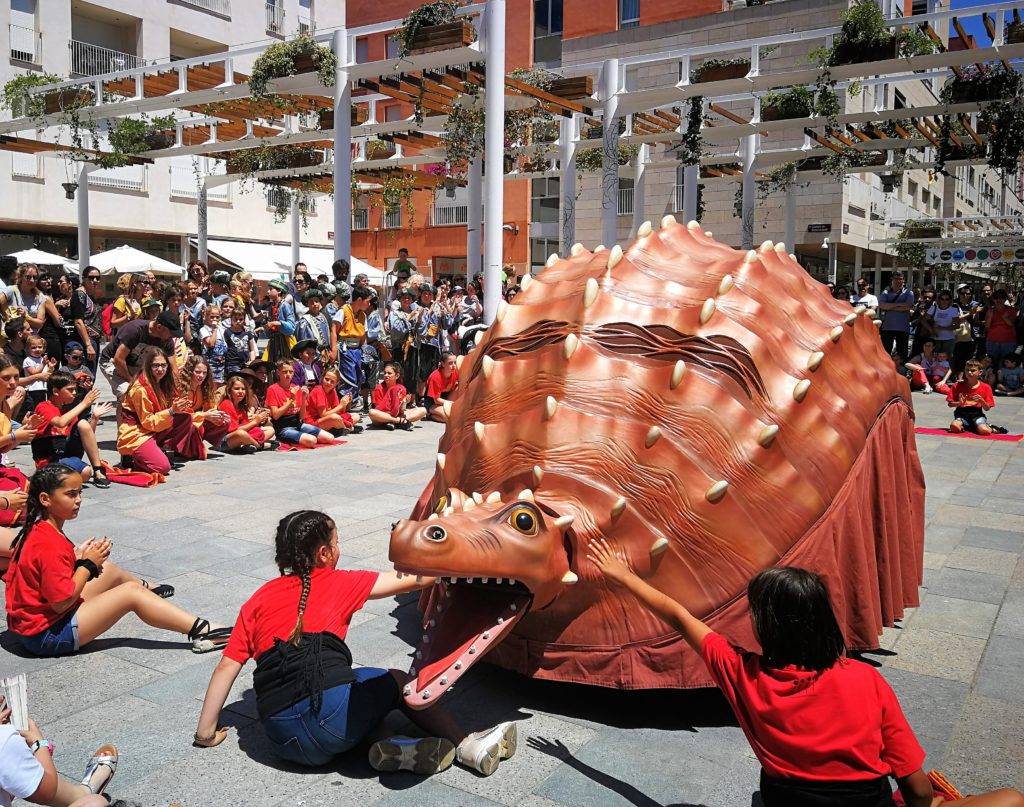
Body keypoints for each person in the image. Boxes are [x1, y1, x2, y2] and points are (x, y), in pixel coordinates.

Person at [586, 543, 1024, 807]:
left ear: (766, 628)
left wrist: (622, 575)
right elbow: (916, 789)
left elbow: (679, 617)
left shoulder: (740, 673)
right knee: (1010, 798)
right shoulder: (865, 681)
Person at [193, 510, 517, 776]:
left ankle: (392, 746)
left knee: (356, 685)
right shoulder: (342, 581)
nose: (338, 548)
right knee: (396, 681)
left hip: (282, 742)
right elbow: (417, 579)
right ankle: (469, 747)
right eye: (336, 542)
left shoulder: (258, 599)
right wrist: (473, 557)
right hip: (333, 723)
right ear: (323, 553)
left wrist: (205, 733)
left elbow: (226, 665)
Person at [3, 464, 231, 657]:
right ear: (45, 499)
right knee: (129, 593)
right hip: (46, 636)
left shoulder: (41, 529)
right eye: (71, 494)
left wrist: (80, 558)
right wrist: (87, 564)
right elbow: (61, 602)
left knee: (109, 570)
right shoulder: (47, 542)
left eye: (80, 492)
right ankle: (201, 629)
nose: (79, 500)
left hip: (32, 626)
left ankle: (148, 593)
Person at [0, 695, 117, 807]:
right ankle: (83, 794)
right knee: (94, 803)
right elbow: (46, 791)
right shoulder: (4, 739)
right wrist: (39, 744)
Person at [116, 348, 204, 474]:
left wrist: (180, 408)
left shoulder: (162, 383)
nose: (160, 369)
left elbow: (171, 408)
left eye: (163, 365)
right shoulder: (140, 389)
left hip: (153, 428)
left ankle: (158, 448)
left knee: (184, 418)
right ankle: (131, 458)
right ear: (148, 366)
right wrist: (172, 410)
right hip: (137, 433)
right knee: (162, 468)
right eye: (156, 366)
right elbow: (147, 422)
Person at [30, 371, 112, 488]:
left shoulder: (69, 411)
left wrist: (95, 417)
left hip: (67, 454)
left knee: (83, 423)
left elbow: (88, 437)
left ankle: (98, 471)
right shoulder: (44, 406)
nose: (74, 393)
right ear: (55, 391)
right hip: (49, 458)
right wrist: (84, 403)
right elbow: (60, 423)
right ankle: (48, 478)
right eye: (70, 390)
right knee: (84, 473)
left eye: (75, 389)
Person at [98, 311, 180, 404]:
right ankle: (124, 415)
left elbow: (174, 369)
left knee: (154, 394)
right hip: (112, 362)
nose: (173, 337)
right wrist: (132, 382)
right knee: (129, 393)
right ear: (159, 327)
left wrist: (177, 391)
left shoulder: (167, 341)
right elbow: (118, 360)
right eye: (171, 333)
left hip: (136, 365)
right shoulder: (135, 329)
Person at [265, 361, 341, 448]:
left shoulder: (296, 388)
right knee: (312, 440)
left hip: (298, 424)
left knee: (330, 438)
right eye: (285, 372)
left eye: (291, 372)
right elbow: (275, 415)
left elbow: (301, 416)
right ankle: (285, 439)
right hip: (283, 428)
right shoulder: (273, 389)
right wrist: (291, 400)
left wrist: (303, 398)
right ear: (278, 373)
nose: (288, 375)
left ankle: (298, 437)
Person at [174, 355, 231, 453]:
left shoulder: (206, 387)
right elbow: (181, 416)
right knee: (195, 426)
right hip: (180, 422)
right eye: (197, 372)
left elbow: (211, 408)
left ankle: (198, 443)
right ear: (189, 371)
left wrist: (218, 415)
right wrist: (204, 415)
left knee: (223, 421)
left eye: (204, 373)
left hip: (197, 418)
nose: (201, 376)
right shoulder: (179, 388)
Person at [331, 285, 373, 404]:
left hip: (357, 350)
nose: (369, 304)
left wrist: (365, 352)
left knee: (359, 376)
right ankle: (346, 403)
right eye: (368, 301)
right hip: (345, 349)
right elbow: (334, 330)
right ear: (360, 300)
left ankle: (352, 402)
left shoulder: (363, 315)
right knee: (348, 377)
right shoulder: (343, 311)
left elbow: (363, 336)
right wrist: (333, 349)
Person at [217, 374, 276, 453]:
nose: (241, 392)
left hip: (241, 434)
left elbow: (246, 424)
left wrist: (259, 419)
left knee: (270, 430)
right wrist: (256, 421)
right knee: (241, 434)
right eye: (237, 389)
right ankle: (259, 446)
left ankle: (248, 444)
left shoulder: (241, 404)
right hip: (224, 440)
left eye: (243, 389)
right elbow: (233, 430)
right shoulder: (226, 404)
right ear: (229, 391)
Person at [306, 367, 362, 436]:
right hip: (314, 422)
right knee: (334, 417)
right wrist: (341, 405)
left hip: (330, 419)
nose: (328, 383)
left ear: (336, 383)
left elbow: (339, 412)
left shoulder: (333, 391)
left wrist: (345, 403)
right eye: (326, 379)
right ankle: (349, 428)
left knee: (356, 416)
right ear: (322, 378)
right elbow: (323, 415)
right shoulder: (318, 391)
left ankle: (340, 428)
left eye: (332, 381)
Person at [369, 362, 425, 431]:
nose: (386, 375)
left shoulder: (401, 388)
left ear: (397, 376)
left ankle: (393, 422)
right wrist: (392, 415)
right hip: (384, 415)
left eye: (389, 373)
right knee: (372, 412)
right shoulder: (379, 388)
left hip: (397, 415)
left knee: (423, 410)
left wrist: (405, 403)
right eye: (385, 373)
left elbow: (401, 410)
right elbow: (379, 409)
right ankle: (399, 421)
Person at [947, 359, 995, 435]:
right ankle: (969, 427)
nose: (969, 372)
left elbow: (987, 408)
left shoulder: (986, 387)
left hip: (977, 415)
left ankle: (990, 427)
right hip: (961, 414)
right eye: (967, 370)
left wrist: (981, 401)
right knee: (954, 426)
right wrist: (959, 403)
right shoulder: (957, 385)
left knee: (985, 431)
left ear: (980, 372)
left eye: (973, 370)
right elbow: (950, 404)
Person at [70, 267, 103, 372]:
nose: (95, 280)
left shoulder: (89, 295)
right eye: (91, 278)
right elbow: (78, 322)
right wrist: (88, 345)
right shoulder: (80, 295)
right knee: (85, 377)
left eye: (97, 278)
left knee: (90, 376)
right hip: (85, 341)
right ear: (84, 279)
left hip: (93, 340)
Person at [876, 274, 914, 365]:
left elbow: (908, 306)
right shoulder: (885, 292)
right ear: (892, 280)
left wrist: (889, 306)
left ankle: (902, 371)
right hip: (887, 327)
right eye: (896, 279)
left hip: (903, 328)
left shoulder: (909, 293)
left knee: (902, 352)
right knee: (885, 352)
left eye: (901, 279)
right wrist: (899, 304)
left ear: (903, 281)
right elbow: (881, 305)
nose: (898, 281)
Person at [262, 280, 297, 365]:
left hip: (285, 341)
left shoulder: (285, 305)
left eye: (270, 289)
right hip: (274, 341)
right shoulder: (272, 306)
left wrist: (278, 323)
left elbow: (292, 327)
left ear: (279, 291)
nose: (268, 291)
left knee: (285, 365)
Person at [222, 305, 257, 379]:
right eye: (235, 319)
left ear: (244, 320)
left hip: (245, 363)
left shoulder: (247, 332)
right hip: (232, 363)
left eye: (240, 319)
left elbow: (252, 349)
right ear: (231, 319)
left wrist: (252, 361)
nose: (238, 321)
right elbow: (225, 348)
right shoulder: (227, 332)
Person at [22, 336, 56, 412]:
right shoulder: (27, 360)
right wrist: (43, 364)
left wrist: (51, 367)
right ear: (28, 349)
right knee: (33, 410)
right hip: (32, 390)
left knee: (42, 409)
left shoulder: (42, 359)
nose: (37, 349)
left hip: (43, 389)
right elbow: (34, 373)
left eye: (40, 347)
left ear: (44, 348)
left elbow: (47, 374)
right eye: (33, 347)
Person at [984, 289, 1018, 364]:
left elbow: (1011, 324)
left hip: (1008, 342)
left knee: (1007, 364)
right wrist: (990, 315)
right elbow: (987, 326)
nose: (999, 300)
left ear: (1005, 298)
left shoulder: (1011, 310)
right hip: (992, 341)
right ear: (993, 299)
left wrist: (1005, 317)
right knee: (991, 364)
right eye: (996, 297)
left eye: (1001, 297)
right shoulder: (990, 310)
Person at [424, 352, 459, 422]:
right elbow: (436, 400)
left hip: (446, 398)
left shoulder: (455, 372)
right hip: (433, 402)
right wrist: (452, 404)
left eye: (455, 362)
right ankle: (430, 414)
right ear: (443, 364)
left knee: (459, 386)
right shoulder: (435, 377)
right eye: (450, 363)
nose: (454, 366)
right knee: (448, 417)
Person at [199, 306, 228, 386]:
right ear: (207, 317)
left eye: (217, 317)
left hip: (221, 365)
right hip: (210, 364)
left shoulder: (222, 330)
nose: (214, 319)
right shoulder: (204, 330)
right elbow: (210, 344)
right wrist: (214, 329)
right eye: (212, 317)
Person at [925, 291, 960, 357]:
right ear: (939, 299)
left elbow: (957, 325)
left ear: (950, 300)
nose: (944, 301)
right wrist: (931, 330)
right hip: (935, 339)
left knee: (947, 361)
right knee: (934, 359)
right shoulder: (934, 308)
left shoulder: (953, 310)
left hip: (949, 339)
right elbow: (924, 320)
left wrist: (942, 328)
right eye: (942, 299)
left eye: (947, 299)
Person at [295, 288, 330, 352]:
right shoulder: (305, 321)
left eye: (317, 301)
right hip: (313, 355)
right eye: (311, 302)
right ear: (307, 304)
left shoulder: (323, 317)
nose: (315, 304)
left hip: (326, 353)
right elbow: (306, 342)